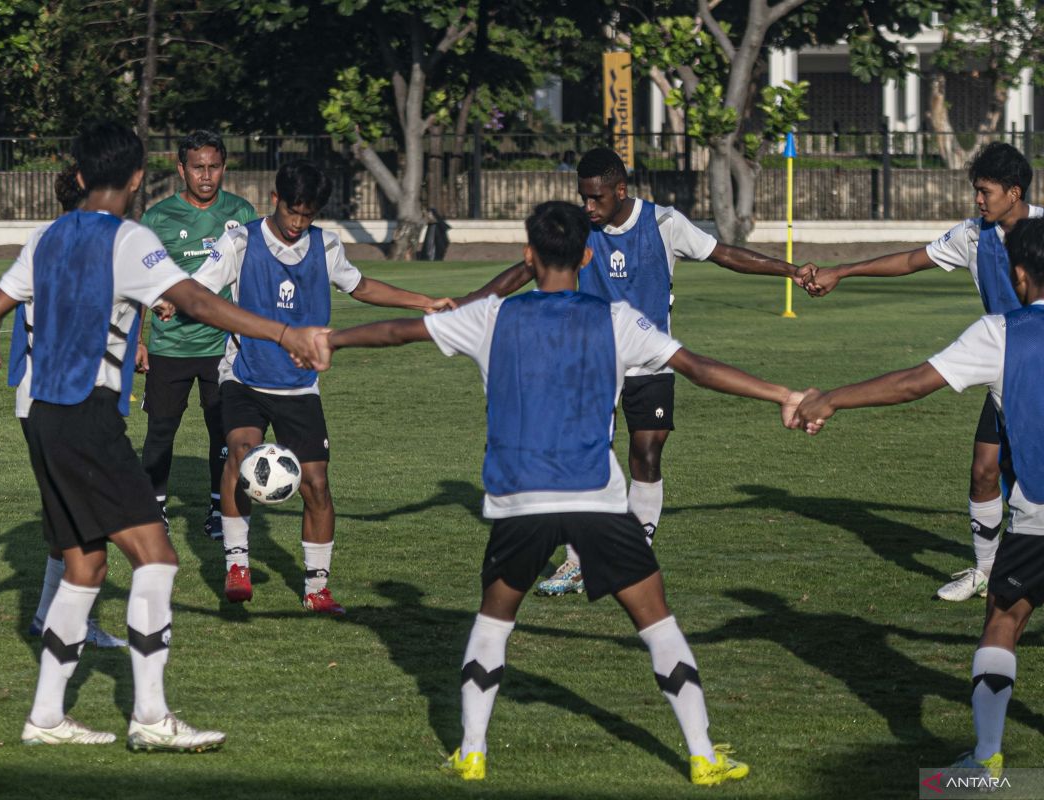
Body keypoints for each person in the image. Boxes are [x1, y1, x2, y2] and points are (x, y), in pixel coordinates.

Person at [324, 200, 806, 784]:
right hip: (596, 500)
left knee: (493, 622)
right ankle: (703, 755)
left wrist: (330, 340)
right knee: (657, 624)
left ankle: (472, 750)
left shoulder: (491, 317)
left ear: (528, 256)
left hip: (518, 502)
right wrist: (780, 392)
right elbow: (698, 366)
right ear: (585, 254)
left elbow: (401, 331)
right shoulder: (618, 319)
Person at [0, 120, 330, 750]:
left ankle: (45, 718)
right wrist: (284, 334)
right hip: (86, 415)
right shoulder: (129, 239)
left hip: (41, 413)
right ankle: (150, 717)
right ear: (135, 179)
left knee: (85, 562)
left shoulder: (44, 238)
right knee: (157, 558)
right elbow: (197, 302)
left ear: (75, 176)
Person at [459, 147, 803, 597]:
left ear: (620, 190)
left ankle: (632, 550)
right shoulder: (582, 230)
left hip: (652, 358)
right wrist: (474, 301)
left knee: (646, 452)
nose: (588, 207)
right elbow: (528, 268)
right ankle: (577, 563)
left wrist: (792, 271)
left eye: (596, 198)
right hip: (592, 360)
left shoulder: (664, 223)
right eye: (583, 198)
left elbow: (725, 255)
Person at [792, 215, 1044, 780]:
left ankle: (984, 762)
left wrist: (831, 398)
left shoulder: (1000, 333)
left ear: (1020, 274)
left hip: (1037, 519)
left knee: (1003, 620)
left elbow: (911, 384)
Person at [192, 160, 454, 615]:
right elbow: (198, 290)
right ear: (275, 200)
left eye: (307, 215)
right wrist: (170, 303)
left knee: (316, 484)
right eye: (292, 212)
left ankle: (317, 587)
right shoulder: (239, 241)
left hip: (299, 385)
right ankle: (237, 564)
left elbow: (361, 285)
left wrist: (424, 301)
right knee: (241, 453)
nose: (297, 224)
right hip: (245, 376)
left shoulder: (325, 245)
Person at [797, 142, 1039, 603]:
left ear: (1014, 191)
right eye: (976, 191)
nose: (978, 201)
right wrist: (842, 272)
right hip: (1000, 367)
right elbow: (912, 261)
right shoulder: (972, 236)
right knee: (984, 471)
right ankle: (987, 571)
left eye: (985, 192)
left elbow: (911, 386)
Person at [23, 164, 128, 649]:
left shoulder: (44, 240)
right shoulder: (76, 246)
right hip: (64, 397)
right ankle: (62, 623)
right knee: (84, 520)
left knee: (63, 516)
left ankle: (51, 615)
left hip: (40, 397)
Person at [138, 131, 257, 540]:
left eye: (214, 167)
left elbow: (252, 275)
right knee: (160, 431)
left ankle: (218, 509)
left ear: (224, 167)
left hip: (223, 346)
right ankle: (154, 511)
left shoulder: (242, 213)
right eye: (198, 167)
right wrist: (138, 340)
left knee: (223, 431)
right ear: (181, 169)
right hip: (170, 345)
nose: (206, 176)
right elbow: (142, 282)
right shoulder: (157, 218)